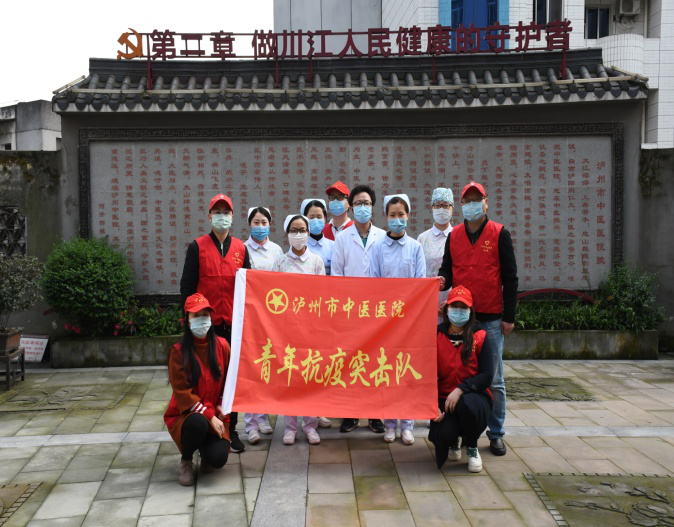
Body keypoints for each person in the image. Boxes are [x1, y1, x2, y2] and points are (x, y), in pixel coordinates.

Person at [438, 181, 518, 457]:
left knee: (494, 378)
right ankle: (462, 432)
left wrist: (509, 316)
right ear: (461, 205)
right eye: (467, 200)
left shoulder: (499, 233)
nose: (472, 204)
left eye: (477, 199)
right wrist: (442, 280)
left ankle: (496, 433)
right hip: (461, 318)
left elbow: (510, 278)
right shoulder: (454, 235)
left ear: (486, 202)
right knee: (459, 375)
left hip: (491, 317)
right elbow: (447, 269)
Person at [180, 193, 250, 454]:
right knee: (207, 377)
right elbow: (187, 287)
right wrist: (189, 321)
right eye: (217, 212)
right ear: (209, 217)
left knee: (232, 378)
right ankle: (206, 425)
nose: (222, 216)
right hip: (206, 325)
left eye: (226, 212)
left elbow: (249, 286)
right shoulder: (197, 247)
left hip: (233, 325)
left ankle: (232, 429)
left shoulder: (240, 248)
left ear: (233, 216)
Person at [370, 194, 426, 445]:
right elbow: (374, 283)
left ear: (408, 216)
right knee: (388, 372)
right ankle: (390, 423)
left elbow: (421, 284)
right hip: (386, 321)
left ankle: (407, 424)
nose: (396, 219)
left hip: (410, 322)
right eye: (392, 215)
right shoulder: (378, 248)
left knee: (407, 374)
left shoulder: (415, 247)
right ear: (386, 217)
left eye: (401, 214)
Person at [331, 184, 386, 434]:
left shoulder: (383, 237)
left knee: (375, 362)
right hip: (350, 310)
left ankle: (375, 415)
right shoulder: (342, 238)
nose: (363, 207)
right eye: (358, 204)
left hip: (376, 312)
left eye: (367, 203)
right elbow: (337, 275)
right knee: (350, 362)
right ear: (351, 208)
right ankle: (350, 414)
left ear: (373, 207)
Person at [164, 293, 232, 486]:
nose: (202, 320)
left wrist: (222, 405)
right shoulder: (178, 352)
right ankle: (186, 460)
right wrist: (209, 416)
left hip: (215, 413)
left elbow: (229, 381)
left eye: (205, 314)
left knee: (218, 459)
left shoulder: (222, 346)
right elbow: (183, 393)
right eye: (196, 315)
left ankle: (205, 451)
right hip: (188, 415)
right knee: (198, 424)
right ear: (187, 320)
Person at [272, 214, 325, 445]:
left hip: (311, 328)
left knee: (310, 377)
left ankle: (310, 425)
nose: (298, 234)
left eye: (302, 229)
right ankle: (290, 427)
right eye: (293, 230)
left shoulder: (316, 261)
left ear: (308, 232)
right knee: (290, 377)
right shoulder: (280, 262)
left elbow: (323, 295)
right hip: (287, 329)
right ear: (287, 234)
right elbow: (272, 294)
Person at [430, 285, 493, 473]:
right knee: (441, 435)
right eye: (454, 306)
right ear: (446, 309)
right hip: (445, 399)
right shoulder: (437, 335)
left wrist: (461, 389)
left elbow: (487, 375)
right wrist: (432, 406)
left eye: (463, 307)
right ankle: (453, 442)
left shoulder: (480, 336)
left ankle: (472, 445)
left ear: (470, 310)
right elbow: (427, 374)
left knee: (468, 405)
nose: (458, 311)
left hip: (474, 397)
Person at [243, 206, 282, 444]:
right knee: (251, 369)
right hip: (251, 317)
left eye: (264, 222)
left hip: (271, 318)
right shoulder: (241, 249)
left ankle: (264, 416)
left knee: (267, 367)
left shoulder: (277, 250)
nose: (260, 226)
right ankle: (251, 424)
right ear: (249, 224)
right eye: (256, 222)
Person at [301, 198, 335, 430]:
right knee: (306, 363)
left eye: (319, 217)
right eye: (310, 217)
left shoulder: (333, 246)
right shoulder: (297, 248)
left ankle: (322, 409)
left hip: (327, 313)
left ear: (325, 219)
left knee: (324, 363)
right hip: (303, 316)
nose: (315, 221)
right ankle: (305, 411)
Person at [417, 187, 454, 324]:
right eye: (438, 205)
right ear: (432, 208)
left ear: (452, 209)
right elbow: (418, 273)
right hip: (427, 301)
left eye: (445, 205)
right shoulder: (422, 238)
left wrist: (452, 301)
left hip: (453, 303)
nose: (441, 209)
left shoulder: (458, 236)